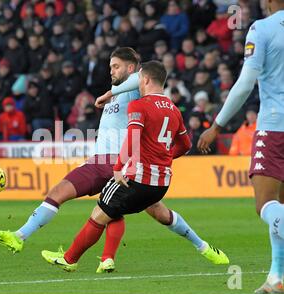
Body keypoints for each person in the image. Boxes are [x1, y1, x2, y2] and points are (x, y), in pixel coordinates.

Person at [0, 48, 228, 272]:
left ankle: (31, 240)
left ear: (133, 69)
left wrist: (109, 92)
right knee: (148, 212)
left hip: (115, 163)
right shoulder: (128, 93)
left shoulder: (136, 90)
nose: (111, 71)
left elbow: (144, 79)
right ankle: (198, 247)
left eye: (116, 66)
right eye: (110, 67)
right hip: (113, 163)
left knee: (76, 198)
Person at [39, 61, 211, 271]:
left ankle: (70, 259)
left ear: (145, 80)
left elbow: (132, 137)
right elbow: (185, 145)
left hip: (137, 178)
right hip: (161, 184)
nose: (137, 83)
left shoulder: (139, 105)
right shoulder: (174, 110)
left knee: (100, 211)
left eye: (139, 79)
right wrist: (163, 159)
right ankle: (106, 259)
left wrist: (119, 166)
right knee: (114, 211)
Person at [197, 0, 284, 294]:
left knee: (266, 205)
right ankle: (277, 275)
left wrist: (217, 125)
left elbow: (246, 82)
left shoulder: (261, 29)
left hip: (274, 127)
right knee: (281, 208)